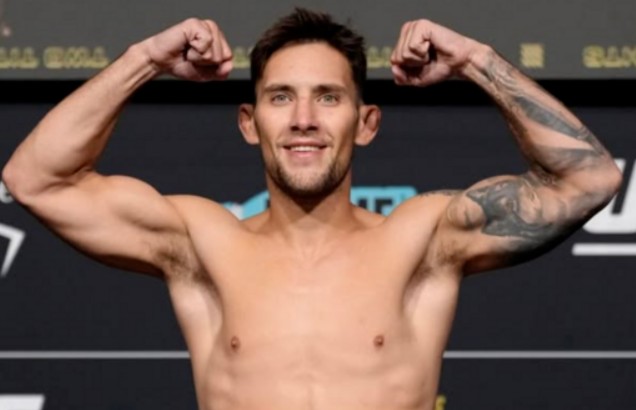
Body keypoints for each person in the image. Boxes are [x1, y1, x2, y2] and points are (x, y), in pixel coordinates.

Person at [2, 8, 622, 410]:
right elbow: (36, 179)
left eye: (328, 97)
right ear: (249, 123)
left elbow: (589, 178)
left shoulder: (422, 240)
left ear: (366, 123)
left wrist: (475, 61)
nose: (303, 119)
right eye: (280, 97)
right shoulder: (202, 242)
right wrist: (146, 60)